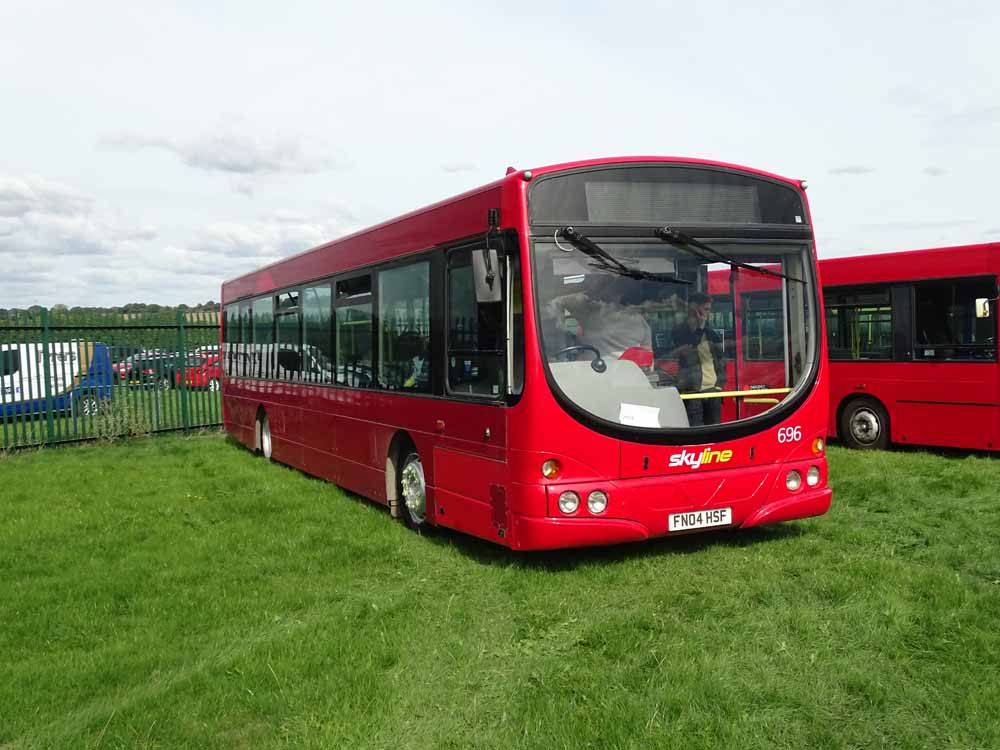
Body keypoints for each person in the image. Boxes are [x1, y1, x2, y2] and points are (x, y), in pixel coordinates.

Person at [671, 292, 726, 426]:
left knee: (714, 428)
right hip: (692, 391)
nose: (709, 312)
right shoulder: (679, 331)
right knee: (696, 428)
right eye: (706, 309)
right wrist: (700, 328)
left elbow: (720, 359)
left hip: (713, 391)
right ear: (694, 309)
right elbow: (690, 348)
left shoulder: (710, 332)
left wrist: (719, 385)